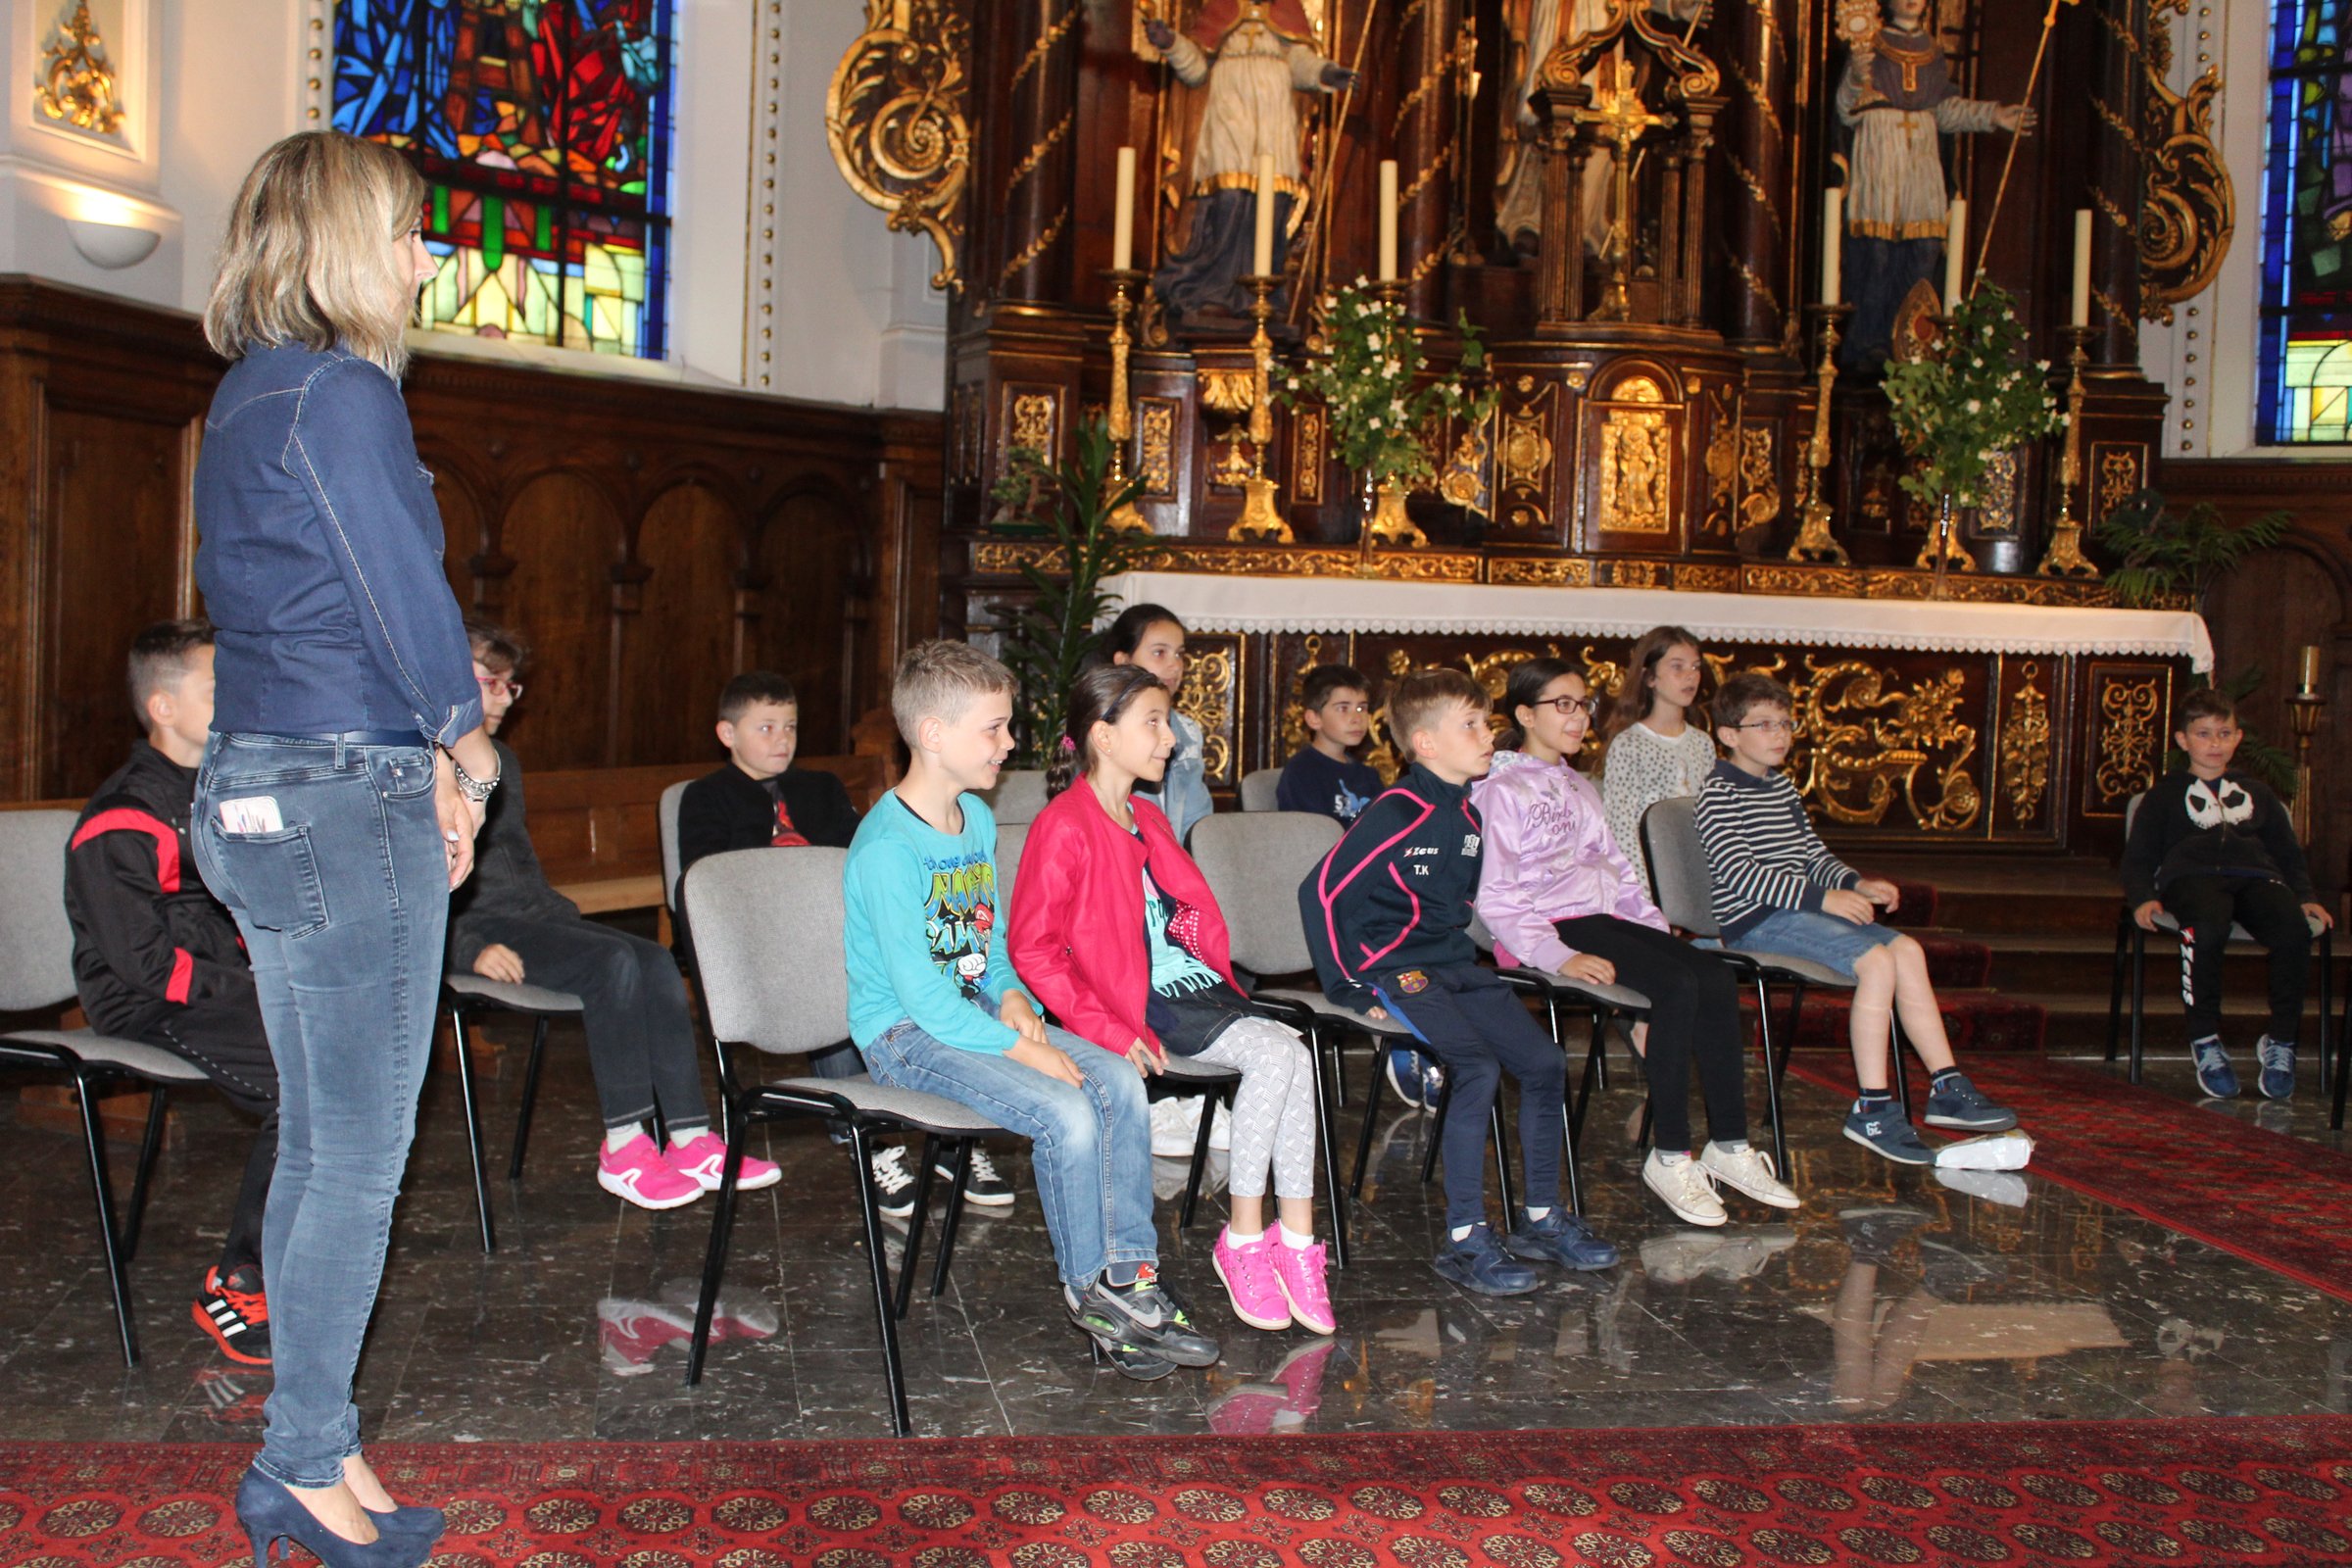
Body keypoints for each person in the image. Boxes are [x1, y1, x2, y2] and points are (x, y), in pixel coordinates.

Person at [192, 128, 479, 1566]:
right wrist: (462, 747)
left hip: (255, 780)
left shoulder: (248, 390)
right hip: (342, 791)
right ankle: (302, 1462)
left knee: (320, 1141)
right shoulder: (347, 390)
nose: (425, 261)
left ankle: (319, 1438)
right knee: (361, 1157)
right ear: (345, 244)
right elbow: (400, 593)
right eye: (409, 234)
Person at [845, 641, 1220, 1380]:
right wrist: (1027, 1048)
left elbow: (988, 946)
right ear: (933, 733)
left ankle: (1130, 1278)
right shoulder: (887, 849)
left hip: (974, 1012)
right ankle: (1090, 1293)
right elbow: (924, 998)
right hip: (905, 1035)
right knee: (1066, 1112)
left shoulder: (975, 822)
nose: (1010, 742)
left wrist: (1014, 996)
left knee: (1118, 1079)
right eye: (994, 728)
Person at [1010, 663, 1335, 1337]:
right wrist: (1106, 1027)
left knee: (1294, 1054)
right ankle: (1243, 1240)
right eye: (1153, 723)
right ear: (1103, 737)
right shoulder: (1063, 825)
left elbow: (1184, 913)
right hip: (1141, 1001)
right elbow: (1033, 949)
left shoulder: (1147, 815)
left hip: (1191, 986)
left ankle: (1297, 1243)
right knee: (1277, 1056)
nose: (1171, 739)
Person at [1299, 668, 1620, 1296]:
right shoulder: (1397, 811)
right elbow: (1321, 892)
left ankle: (1541, 1219)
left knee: (1545, 1063)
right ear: (1425, 744)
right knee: (1475, 1067)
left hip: (1452, 966)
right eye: (1470, 725)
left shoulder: (1469, 815)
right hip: (1393, 967)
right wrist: (1344, 983)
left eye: (1485, 722)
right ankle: (1465, 1239)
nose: (1488, 735)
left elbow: (1460, 908)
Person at [447, 622, 780, 1210]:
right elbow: (410, 890)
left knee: (653, 960)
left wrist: (560, 916)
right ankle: (625, 1146)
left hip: (531, 920)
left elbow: (517, 868)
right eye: (490, 682)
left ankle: (689, 1137)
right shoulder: (419, 767)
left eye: (510, 686)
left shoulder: (501, 761)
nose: (505, 697)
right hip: (479, 932)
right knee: (612, 963)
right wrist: (466, 946)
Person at [1473, 658, 1799, 1228]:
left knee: (1713, 975)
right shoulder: (1501, 790)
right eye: (1563, 705)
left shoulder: (1579, 785)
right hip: (1550, 927)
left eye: (1584, 705)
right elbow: (1496, 896)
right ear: (1525, 714)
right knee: (1674, 986)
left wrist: (1654, 932)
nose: (1579, 717)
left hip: (1599, 920)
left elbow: (1619, 873)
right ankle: (1670, 1155)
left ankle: (1729, 1144)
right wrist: (1558, 956)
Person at [1693, 673, 2018, 1164]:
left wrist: (1855, 883)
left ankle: (1947, 1086)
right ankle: (1872, 1107)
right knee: (1875, 961)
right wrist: (1823, 900)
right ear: (1728, 735)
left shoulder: (1780, 788)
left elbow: (1812, 854)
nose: (1780, 734)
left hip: (1798, 911)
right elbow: (1740, 874)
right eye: (1764, 724)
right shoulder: (1720, 793)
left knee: (1906, 950)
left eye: (1785, 723)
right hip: (1756, 922)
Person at [65, 621, 278, 1366]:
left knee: (346, 1047)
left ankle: (303, 1261)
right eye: (219, 687)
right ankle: (241, 1280)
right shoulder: (122, 817)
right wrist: (259, 987)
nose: (238, 697)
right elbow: (145, 967)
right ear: (162, 707)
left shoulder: (225, 791)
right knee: (307, 1082)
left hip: (225, 988)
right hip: (150, 1002)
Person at [2121, 688, 2331, 1101]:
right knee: (2207, 926)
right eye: (2204, 734)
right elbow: (2138, 856)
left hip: (2255, 877)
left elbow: (2287, 854)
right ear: (2183, 740)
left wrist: (2305, 895)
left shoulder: (2258, 793)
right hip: (2192, 879)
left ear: (2237, 738)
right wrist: (2142, 896)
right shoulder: (2163, 795)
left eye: (2224, 734)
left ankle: (2282, 1042)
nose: (2215, 744)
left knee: (2294, 929)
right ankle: (2205, 1039)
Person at [1278, 662, 1439, 1114]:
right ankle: (1396, 1035)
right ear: (1312, 718)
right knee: (1382, 938)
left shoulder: (1369, 776)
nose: (1356, 717)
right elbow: (1308, 848)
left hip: (1374, 886)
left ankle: (1424, 1026)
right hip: (1335, 892)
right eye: (1342, 707)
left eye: (1363, 708)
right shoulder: (1301, 773)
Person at [1837, 0, 2034, 367]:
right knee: (1876, 255)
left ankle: (1914, 342)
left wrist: (1993, 115)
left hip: (1921, 160)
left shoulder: (1932, 50)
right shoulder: (1869, 45)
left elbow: (1945, 111)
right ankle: (1868, 343)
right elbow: (1846, 109)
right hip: (1881, 154)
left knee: (1924, 250)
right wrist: (1855, 75)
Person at [1139, 1, 1356, 322]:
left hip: (1274, 116)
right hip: (1229, 110)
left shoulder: (1287, 10)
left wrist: (1325, 72)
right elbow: (1196, 70)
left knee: (1272, 202)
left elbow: (1299, 61)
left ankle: (1260, 294)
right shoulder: (1221, 7)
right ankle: (1215, 291)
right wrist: (1171, 44)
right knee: (1226, 199)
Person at [1600, 624, 1715, 898]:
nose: (1690, 676)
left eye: (1695, 667)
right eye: (1677, 667)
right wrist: (1645, 897)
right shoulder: (1630, 744)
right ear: (1650, 677)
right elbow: (1621, 827)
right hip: (1652, 875)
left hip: (1696, 872)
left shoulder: (1703, 743)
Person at [1104, 604, 1213, 846]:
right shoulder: (1103, 731)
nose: (1175, 665)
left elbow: (1198, 825)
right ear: (1123, 661)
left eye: (1179, 654)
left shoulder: (1187, 732)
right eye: (1159, 652)